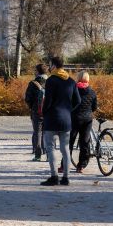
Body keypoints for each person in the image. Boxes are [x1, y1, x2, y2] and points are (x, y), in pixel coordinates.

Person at [40, 57, 81, 186]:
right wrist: (68, 110)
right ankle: (66, 178)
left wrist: (44, 112)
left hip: (52, 119)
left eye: (50, 64)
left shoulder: (51, 80)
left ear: (53, 65)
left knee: (50, 148)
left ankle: (54, 177)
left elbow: (48, 101)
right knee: (65, 149)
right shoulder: (71, 81)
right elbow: (78, 101)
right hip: (66, 119)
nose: (49, 67)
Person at [70, 71, 98, 173]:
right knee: (84, 143)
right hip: (87, 120)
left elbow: (70, 104)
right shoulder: (92, 92)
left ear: (78, 78)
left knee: (70, 142)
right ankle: (81, 166)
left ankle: (64, 166)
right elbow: (94, 107)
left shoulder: (73, 90)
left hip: (74, 119)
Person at [25, 64, 48, 161]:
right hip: (49, 111)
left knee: (37, 132)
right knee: (47, 133)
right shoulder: (51, 82)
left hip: (36, 111)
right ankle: (48, 154)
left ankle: (38, 155)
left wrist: (32, 107)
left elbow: (28, 98)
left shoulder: (33, 83)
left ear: (37, 71)